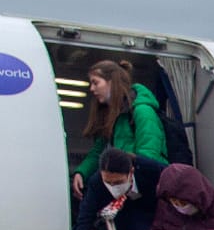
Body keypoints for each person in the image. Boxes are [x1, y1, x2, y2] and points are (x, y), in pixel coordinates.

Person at [70, 60, 165, 197]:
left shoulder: (142, 111)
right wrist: (81, 172)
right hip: (125, 185)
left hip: (144, 189)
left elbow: (149, 154)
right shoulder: (112, 114)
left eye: (95, 83)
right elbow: (98, 151)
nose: (91, 89)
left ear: (111, 82)